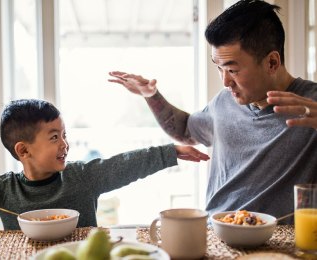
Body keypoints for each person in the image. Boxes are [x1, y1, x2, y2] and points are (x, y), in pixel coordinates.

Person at [108, 0, 317, 223]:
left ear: (272, 62)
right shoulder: (224, 102)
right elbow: (186, 130)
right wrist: (151, 96)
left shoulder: (312, 104)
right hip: (215, 235)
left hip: (280, 245)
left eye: (232, 70)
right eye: (219, 68)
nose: (225, 81)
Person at [0, 99, 209, 230]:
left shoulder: (81, 177)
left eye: (64, 135)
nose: (64, 144)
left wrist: (168, 152)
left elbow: (123, 164)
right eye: (53, 137)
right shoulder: (2, 191)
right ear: (23, 150)